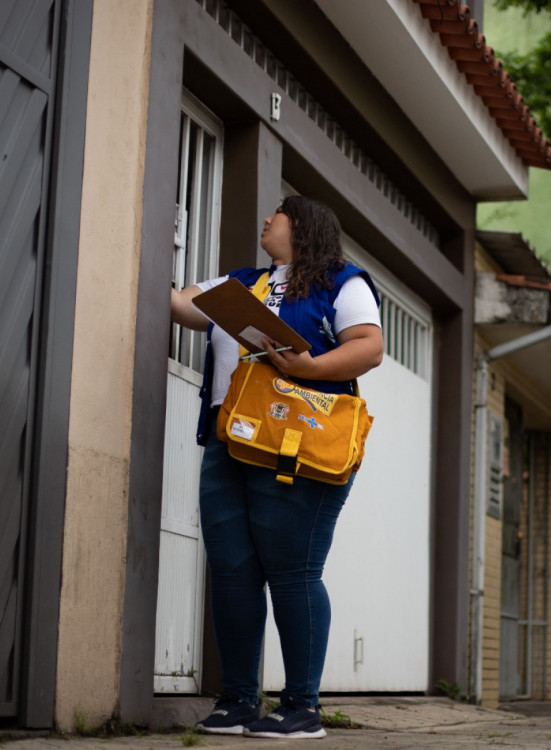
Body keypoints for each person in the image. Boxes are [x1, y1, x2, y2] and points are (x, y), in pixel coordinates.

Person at [170, 196, 383, 739]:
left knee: (293, 572)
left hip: (296, 445)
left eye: (278, 214)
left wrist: (310, 366)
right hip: (229, 438)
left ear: (304, 227)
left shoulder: (342, 281)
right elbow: (184, 306)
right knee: (233, 571)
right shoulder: (241, 284)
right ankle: (239, 700)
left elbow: (369, 348)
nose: (266, 219)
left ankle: (302, 707)